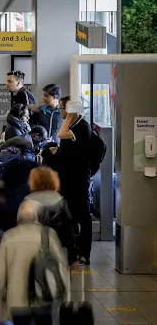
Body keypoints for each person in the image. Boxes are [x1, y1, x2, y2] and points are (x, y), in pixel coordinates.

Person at [0, 200, 69, 325]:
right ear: (37, 216)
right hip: (43, 297)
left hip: (16, 302)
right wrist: (64, 296)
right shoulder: (48, 235)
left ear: (18, 217)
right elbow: (61, 267)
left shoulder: (9, 237)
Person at [45, 96, 93, 265]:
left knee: (82, 215)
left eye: (62, 109)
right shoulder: (75, 126)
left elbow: (61, 133)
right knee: (70, 215)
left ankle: (84, 251)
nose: (60, 112)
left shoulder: (81, 127)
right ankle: (72, 249)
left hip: (78, 180)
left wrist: (71, 116)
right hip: (70, 178)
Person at [24, 166, 75, 263]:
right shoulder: (60, 200)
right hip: (57, 249)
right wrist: (72, 256)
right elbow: (68, 230)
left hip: (34, 250)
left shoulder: (28, 200)